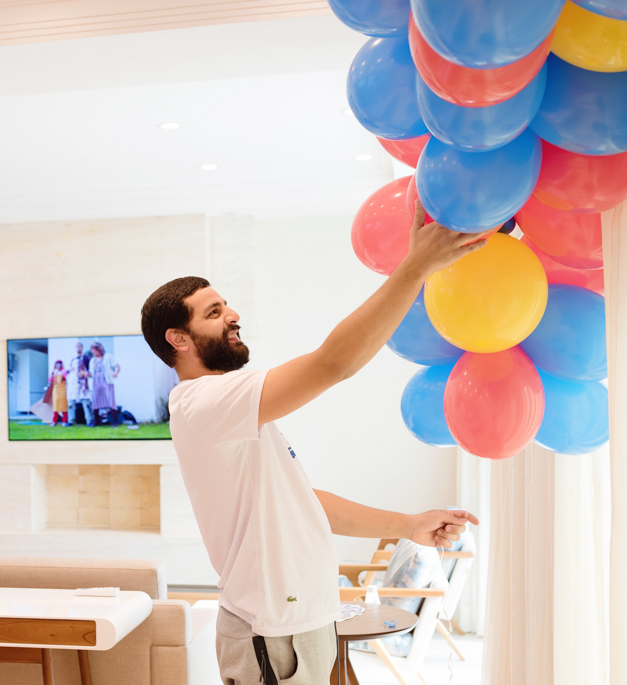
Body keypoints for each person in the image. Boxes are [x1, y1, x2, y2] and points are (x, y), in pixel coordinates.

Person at [140, 203, 484, 685]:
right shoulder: (201, 401)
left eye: (226, 304)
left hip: (305, 624)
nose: (233, 315)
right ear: (178, 338)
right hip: (271, 632)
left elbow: (305, 503)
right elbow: (332, 364)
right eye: (214, 312)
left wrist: (408, 525)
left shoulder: (234, 412)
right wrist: (414, 269)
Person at [88, 341, 120, 427]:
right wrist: (85, 374)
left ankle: (115, 423)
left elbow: (117, 366)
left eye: (93, 350)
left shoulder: (108, 357)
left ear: (98, 350)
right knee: (95, 402)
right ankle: (96, 421)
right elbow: (91, 373)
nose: (92, 352)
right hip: (96, 384)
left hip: (107, 383)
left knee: (111, 402)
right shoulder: (92, 360)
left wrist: (116, 373)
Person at [68, 341, 93, 426]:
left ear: (82, 348)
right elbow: (69, 371)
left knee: (86, 403)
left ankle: (89, 421)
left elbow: (91, 370)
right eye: (77, 346)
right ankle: (70, 420)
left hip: (83, 384)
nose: (78, 348)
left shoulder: (86, 358)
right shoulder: (73, 359)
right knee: (71, 403)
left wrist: (85, 372)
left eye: (80, 346)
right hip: (74, 384)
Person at [48, 360, 69, 426]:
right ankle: (54, 421)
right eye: (57, 364)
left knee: (64, 406)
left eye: (59, 364)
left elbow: (66, 377)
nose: (58, 366)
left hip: (63, 392)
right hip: (56, 391)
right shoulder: (53, 372)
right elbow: (50, 380)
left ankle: (64, 421)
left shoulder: (64, 372)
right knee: (55, 407)